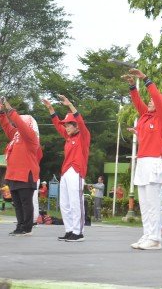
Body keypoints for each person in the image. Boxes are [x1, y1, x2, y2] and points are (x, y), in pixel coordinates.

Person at [123, 68, 162, 251]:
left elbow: (156, 98)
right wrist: (132, 86)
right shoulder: (146, 117)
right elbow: (138, 102)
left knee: (153, 204)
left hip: (154, 163)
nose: (150, 102)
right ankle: (147, 234)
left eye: (152, 101)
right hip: (143, 162)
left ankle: (155, 238)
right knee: (144, 204)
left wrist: (145, 79)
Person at [42, 95, 91, 242]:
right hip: (65, 172)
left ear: (76, 126)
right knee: (65, 203)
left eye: (69, 125)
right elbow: (57, 124)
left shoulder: (84, 136)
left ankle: (78, 232)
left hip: (76, 172)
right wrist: (50, 108)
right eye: (66, 125)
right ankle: (69, 230)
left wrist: (70, 105)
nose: (66, 127)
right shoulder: (68, 137)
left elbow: (80, 121)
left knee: (76, 202)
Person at [0, 97, 41, 236]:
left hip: (25, 174)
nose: (17, 123)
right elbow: (7, 126)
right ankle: (20, 225)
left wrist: (9, 108)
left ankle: (27, 227)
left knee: (25, 202)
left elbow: (20, 124)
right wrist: (1, 112)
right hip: (14, 174)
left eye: (21, 121)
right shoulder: (16, 135)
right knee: (17, 203)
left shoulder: (31, 137)